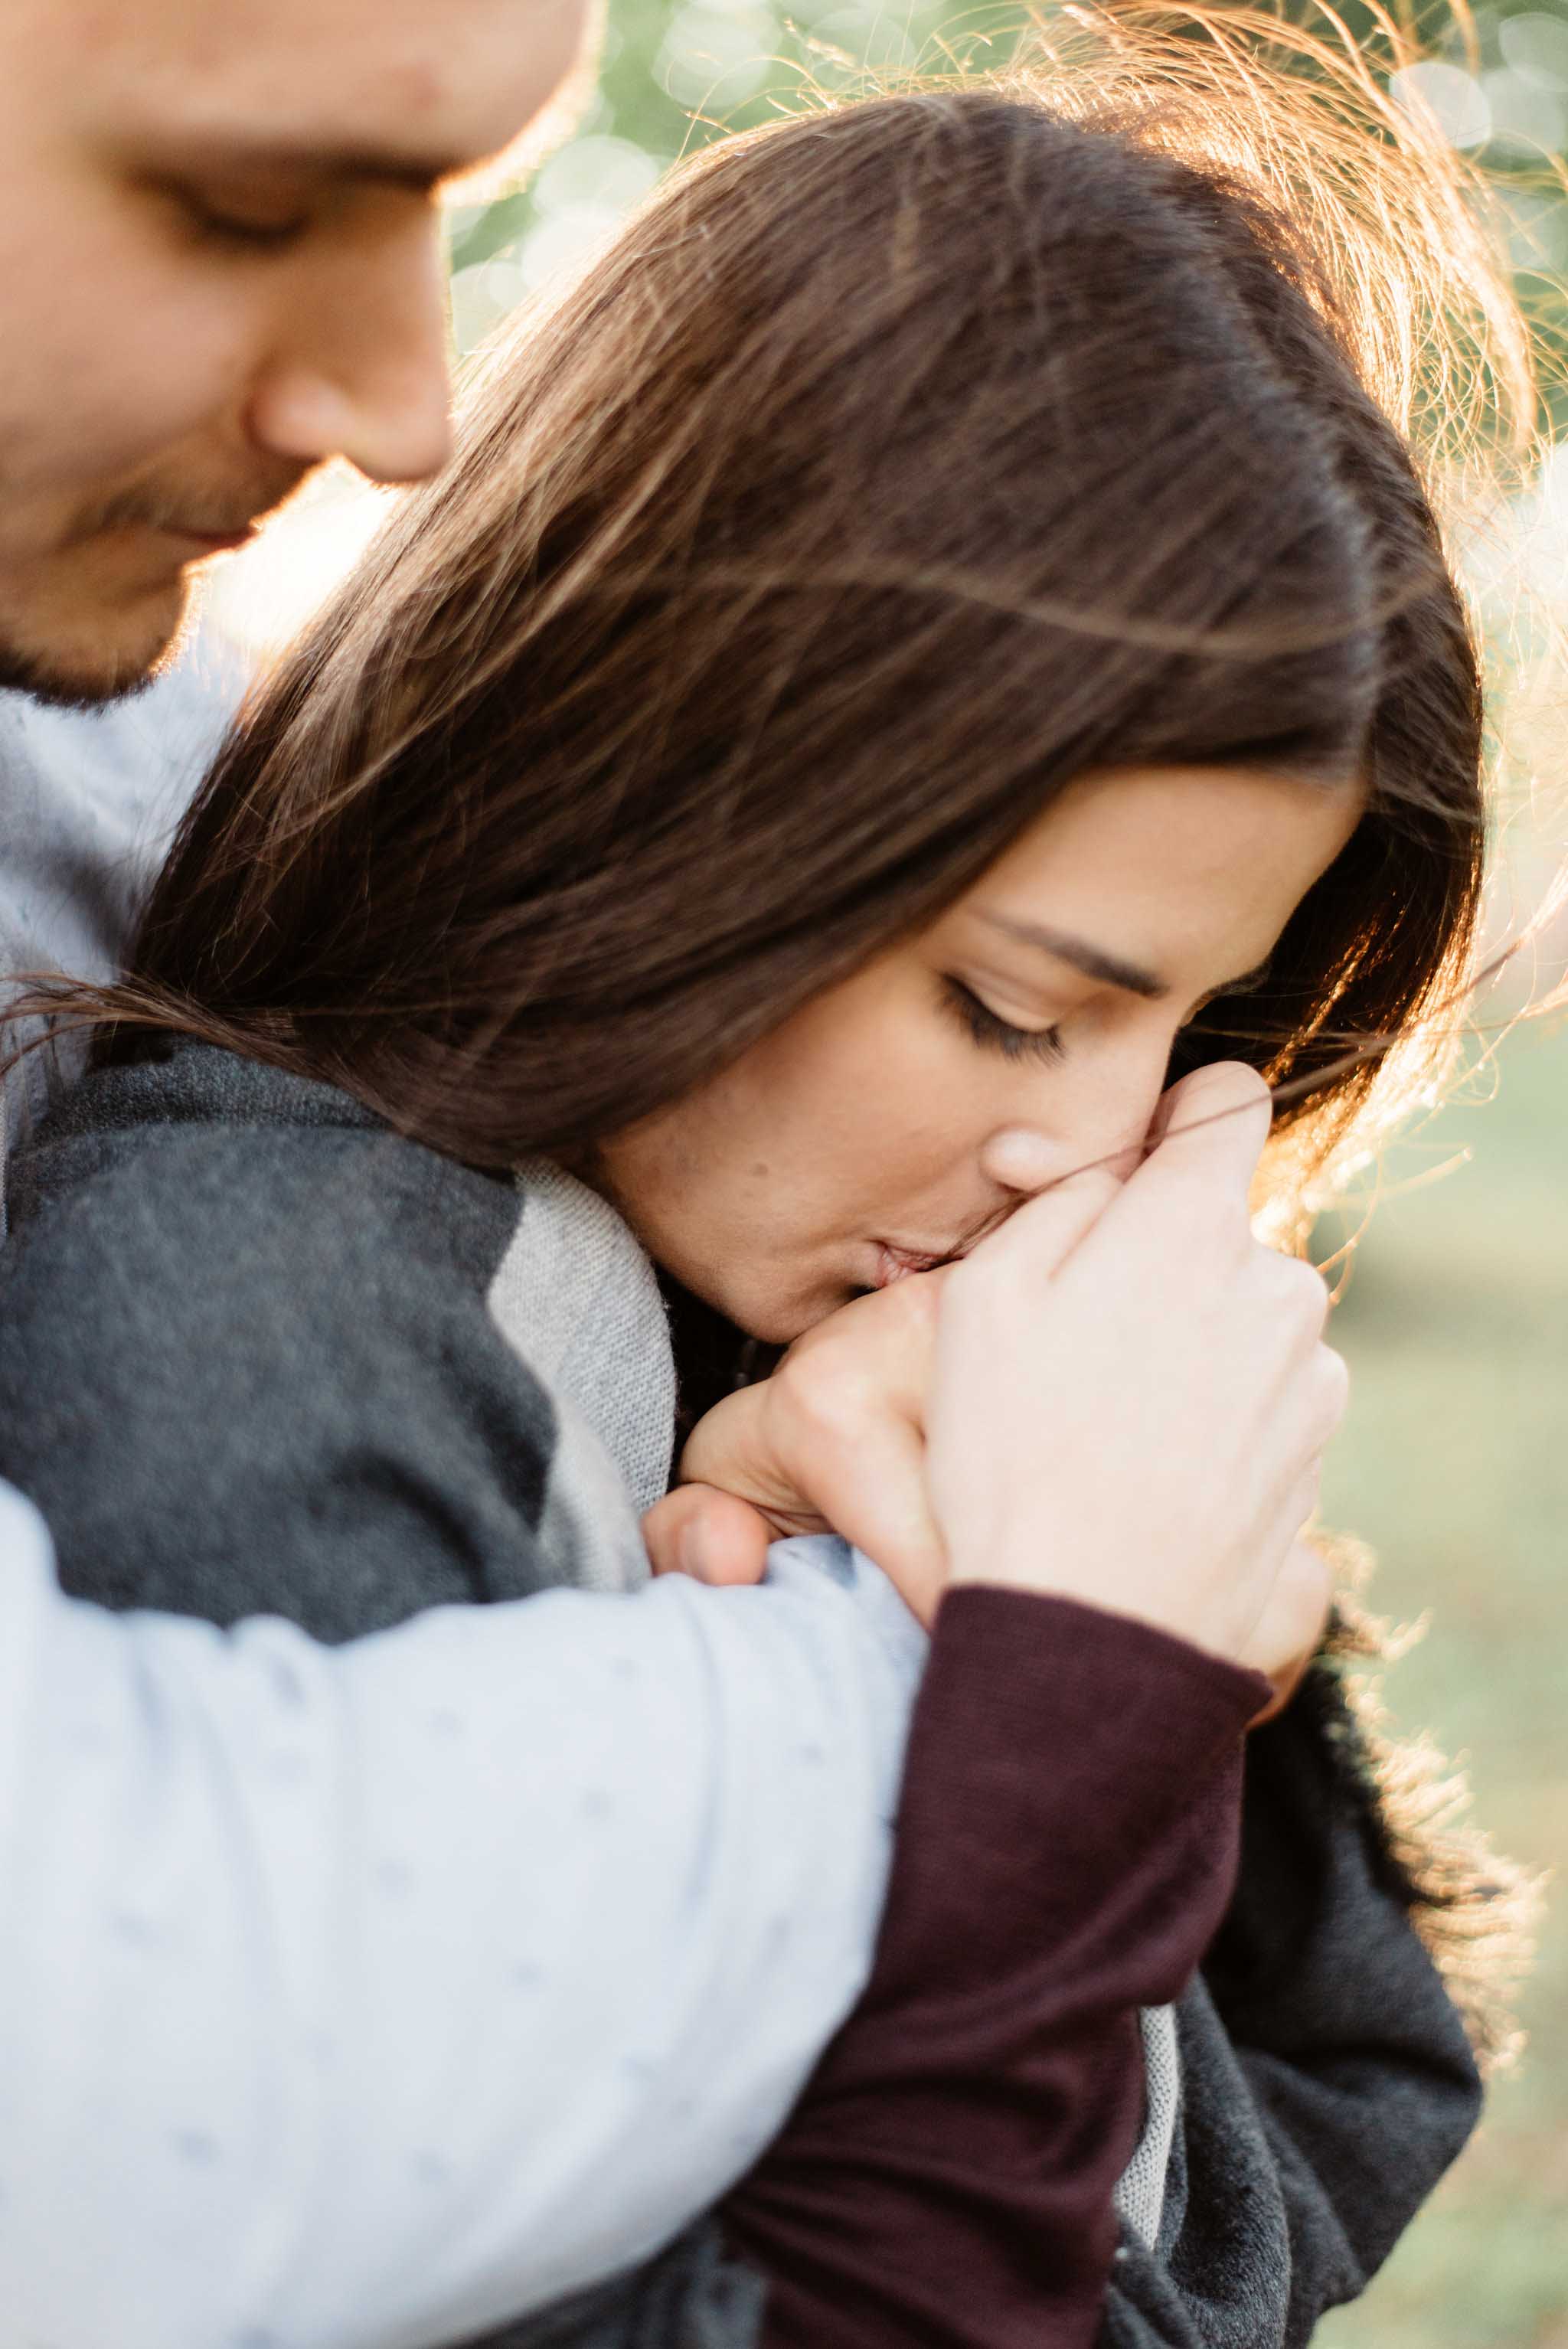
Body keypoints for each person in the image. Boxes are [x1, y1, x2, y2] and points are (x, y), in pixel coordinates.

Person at [1, 31, 1522, 2346]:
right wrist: (1022, 1674)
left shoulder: (737, 1278)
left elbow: (1322, 2122)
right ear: (667, 791)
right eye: (1015, 1006)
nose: (1091, 1145)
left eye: (1188, 1034)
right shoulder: (278, 1343)